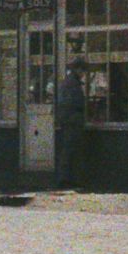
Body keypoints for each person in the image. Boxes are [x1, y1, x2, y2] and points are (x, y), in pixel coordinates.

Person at [54, 57, 86, 187]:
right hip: (72, 120)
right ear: (77, 69)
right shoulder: (72, 83)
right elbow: (71, 103)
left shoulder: (69, 82)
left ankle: (66, 178)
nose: (83, 73)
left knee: (69, 150)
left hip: (69, 120)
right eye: (82, 70)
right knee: (70, 150)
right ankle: (66, 179)